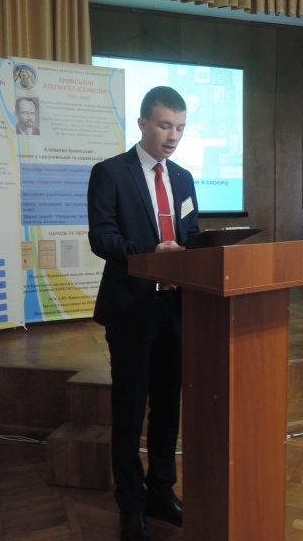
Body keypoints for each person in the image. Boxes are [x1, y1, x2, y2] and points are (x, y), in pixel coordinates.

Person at [87, 86, 200, 541]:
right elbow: (102, 239)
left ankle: (161, 491)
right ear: (142, 124)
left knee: (168, 405)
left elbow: (191, 234)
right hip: (131, 308)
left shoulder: (185, 179)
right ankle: (131, 503)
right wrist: (151, 252)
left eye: (180, 128)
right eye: (164, 125)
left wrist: (203, 251)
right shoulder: (110, 173)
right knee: (130, 407)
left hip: (176, 307)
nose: (172, 136)